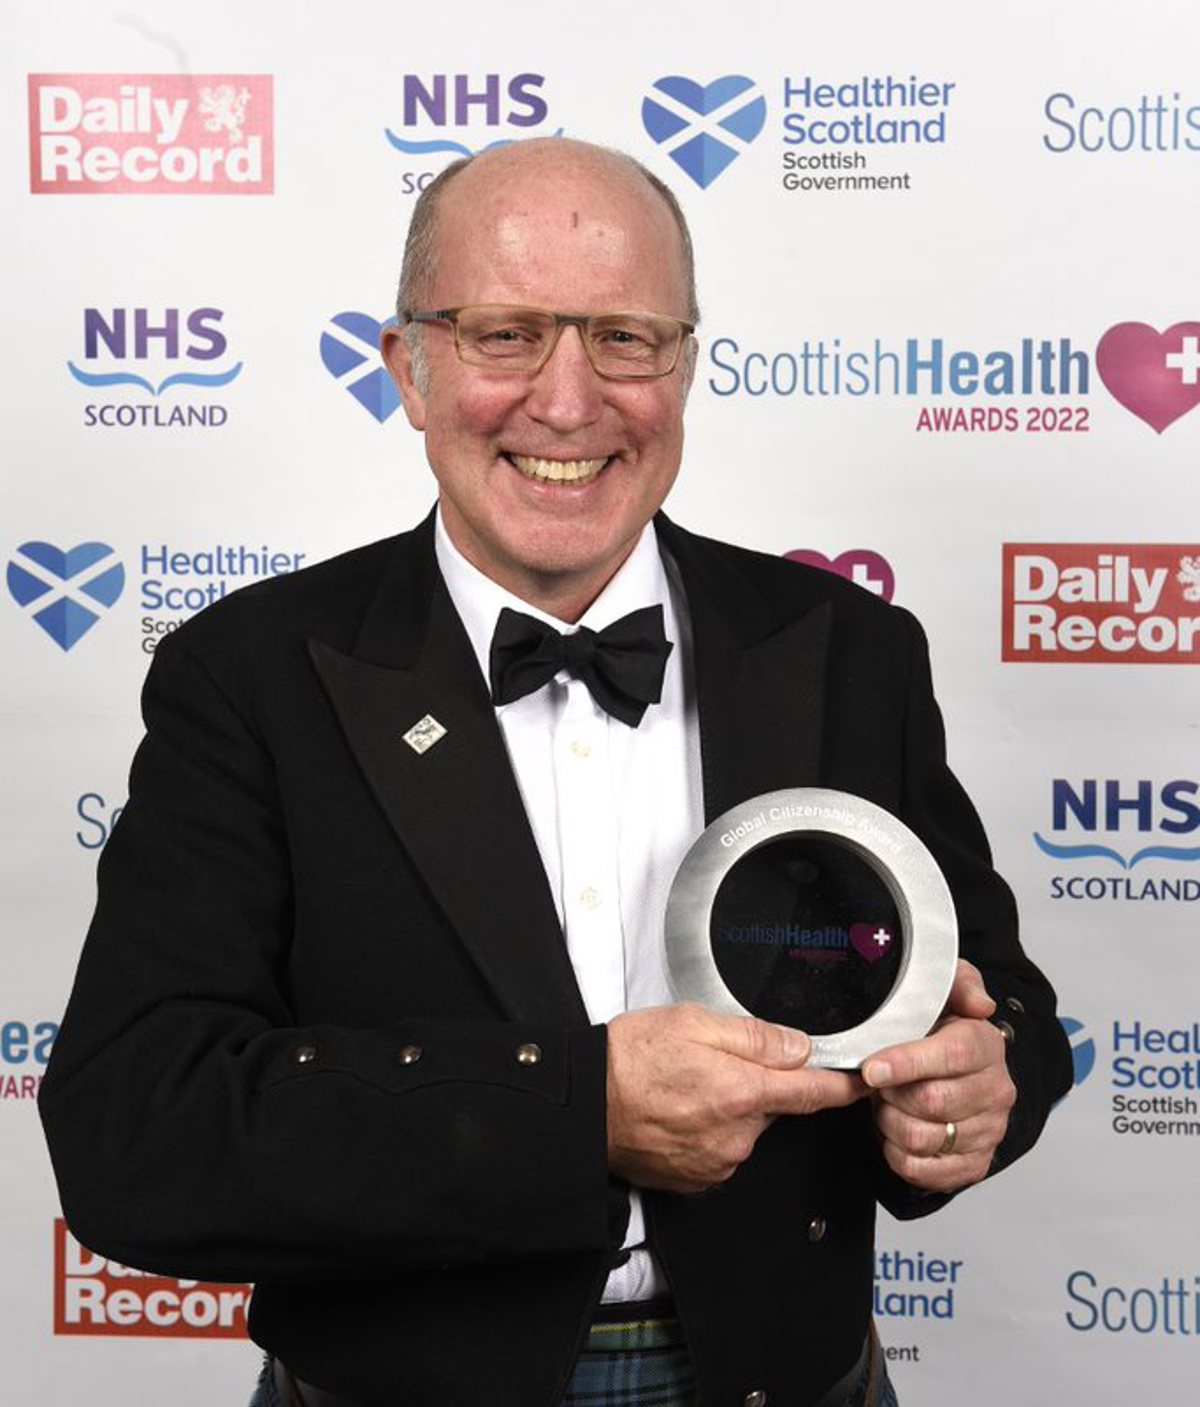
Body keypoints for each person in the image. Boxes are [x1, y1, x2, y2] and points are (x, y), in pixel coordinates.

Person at [41, 138, 1071, 1407]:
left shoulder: (847, 650)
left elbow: (997, 998)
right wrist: (576, 1110)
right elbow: (136, 1132)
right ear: (406, 370)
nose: (570, 401)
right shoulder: (250, 675)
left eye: (627, 338)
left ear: (686, 364)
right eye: (506, 334)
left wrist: (976, 1093)